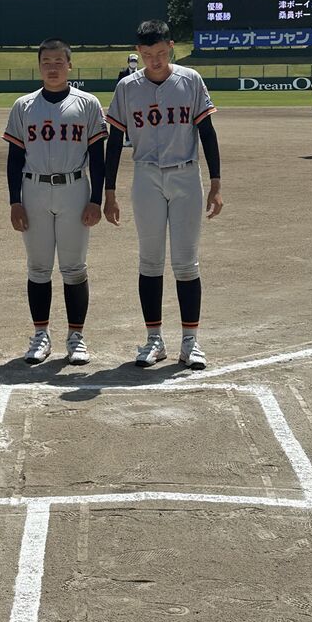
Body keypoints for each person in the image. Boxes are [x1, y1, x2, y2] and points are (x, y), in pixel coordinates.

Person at [104, 19, 222, 370]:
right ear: (138, 52)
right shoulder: (127, 87)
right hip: (146, 175)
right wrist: (109, 191)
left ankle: (190, 341)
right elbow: (114, 141)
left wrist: (216, 183)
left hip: (186, 174)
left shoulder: (190, 80)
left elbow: (207, 131)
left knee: (186, 262)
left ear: (171, 47)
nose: (154, 60)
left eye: (160, 53)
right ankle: (154, 339)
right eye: (147, 54)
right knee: (150, 261)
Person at [3, 38, 107, 366]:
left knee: (74, 268)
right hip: (33, 189)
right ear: (39, 66)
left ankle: (76, 337)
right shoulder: (23, 105)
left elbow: (98, 156)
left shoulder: (88, 103)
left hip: (74, 188)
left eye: (58, 61)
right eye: (46, 61)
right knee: (38, 267)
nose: (52, 67)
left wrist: (96, 199)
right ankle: (41, 334)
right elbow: (14, 157)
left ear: (69, 65)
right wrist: (14, 201)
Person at [116, 54, 139, 147]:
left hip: (138, 101)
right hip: (126, 101)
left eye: (135, 61)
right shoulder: (122, 74)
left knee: (138, 120)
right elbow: (118, 87)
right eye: (131, 61)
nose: (133, 63)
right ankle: (128, 139)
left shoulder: (141, 73)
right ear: (128, 62)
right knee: (127, 121)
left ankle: (137, 139)